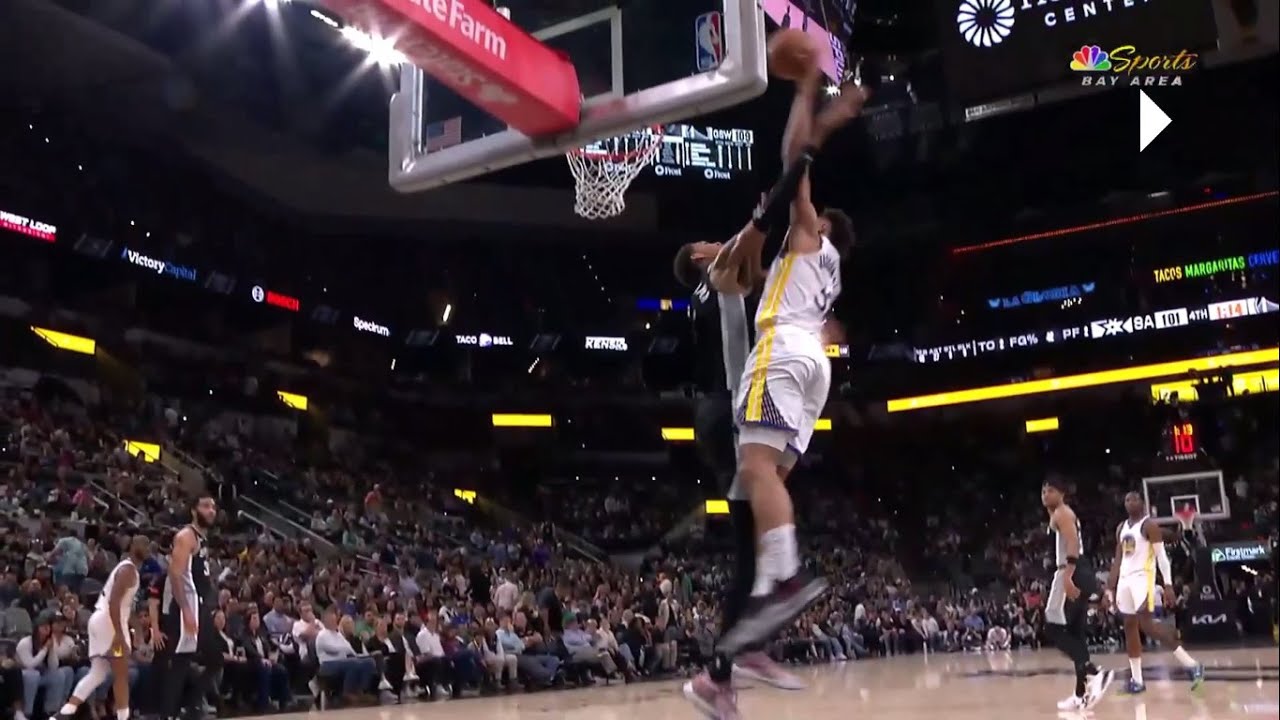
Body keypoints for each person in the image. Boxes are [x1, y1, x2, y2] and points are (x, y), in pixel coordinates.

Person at [1105, 491, 1205, 693]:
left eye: (1134, 498)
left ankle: (1192, 665)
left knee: (1148, 626)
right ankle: (1137, 680)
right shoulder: (1121, 528)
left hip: (1143, 578)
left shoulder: (1149, 526)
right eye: (1126, 499)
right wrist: (1109, 587)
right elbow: (1118, 560)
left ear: (1142, 502)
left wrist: (1168, 585)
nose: (1130, 502)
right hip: (1125, 580)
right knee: (1129, 627)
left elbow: (1162, 558)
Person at [1041, 477, 1115, 711]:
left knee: (1052, 628)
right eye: (1043, 490)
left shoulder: (1062, 513)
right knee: (1075, 632)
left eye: (1050, 490)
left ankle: (1094, 672)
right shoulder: (1061, 513)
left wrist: (1067, 574)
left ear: (1062, 493)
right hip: (1081, 572)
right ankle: (1080, 694)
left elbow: (1072, 541)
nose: (1045, 494)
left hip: (1071, 571)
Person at [57, 535, 149, 720]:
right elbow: (114, 604)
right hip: (109, 623)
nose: (146, 547)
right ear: (131, 547)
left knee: (98, 674)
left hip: (102, 620)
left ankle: (63, 713)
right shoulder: (128, 571)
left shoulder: (127, 569)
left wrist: (137, 631)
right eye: (141, 543)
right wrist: (119, 635)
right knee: (121, 675)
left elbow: (125, 608)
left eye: (148, 544)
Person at [155, 495, 216, 720]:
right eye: (206, 506)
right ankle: (172, 713)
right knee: (183, 663)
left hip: (198, 606)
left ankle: (186, 707)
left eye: (213, 507)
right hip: (186, 608)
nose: (211, 511)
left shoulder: (202, 538)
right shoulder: (185, 536)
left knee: (210, 659)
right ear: (194, 510)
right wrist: (186, 610)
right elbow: (175, 573)